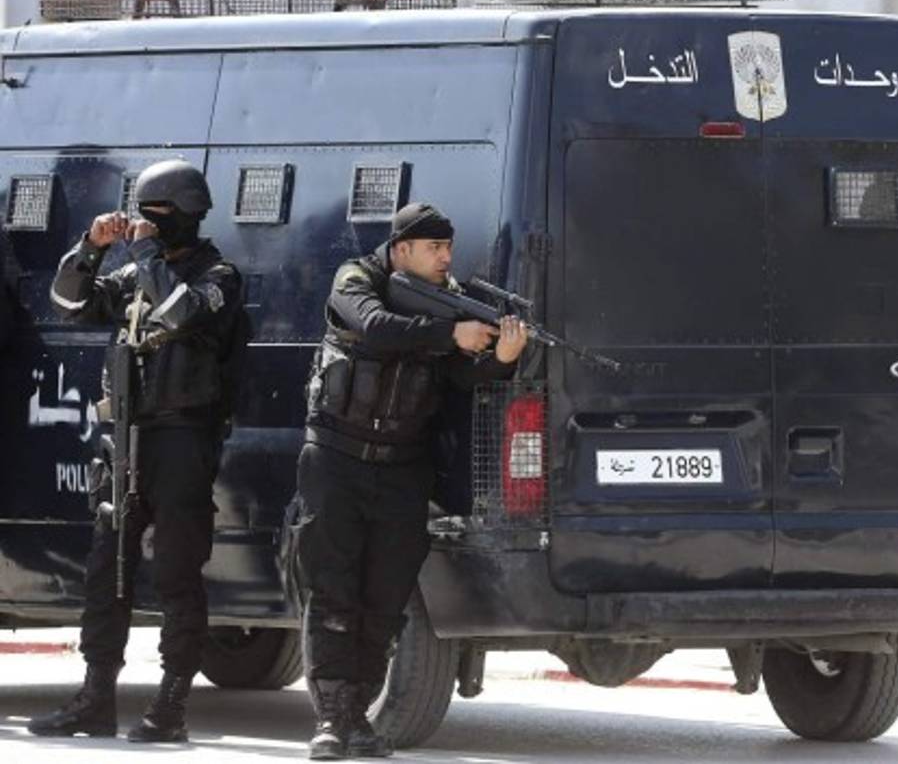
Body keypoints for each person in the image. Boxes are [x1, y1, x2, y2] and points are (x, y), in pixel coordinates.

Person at [295, 203, 527, 760]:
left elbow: (463, 375)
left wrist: (502, 356)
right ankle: (331, 719)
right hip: (337, 459)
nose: (446, 258)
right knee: (333, 593)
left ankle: (357, 716)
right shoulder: (355, 279)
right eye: (434, 249)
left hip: (402, 467)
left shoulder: (446, 299)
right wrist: (454, 332)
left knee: (385, 597)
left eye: (448, 248)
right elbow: (374, 327)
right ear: (401, 250)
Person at [29, 160, 245, 743]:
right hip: (126, 437)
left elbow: (178, 313)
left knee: (177, 574)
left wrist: (145, 258)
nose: (145, 226)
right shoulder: (134, 274)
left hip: (182, 439)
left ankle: (169, 707)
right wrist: (90, 248)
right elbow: (68, 303)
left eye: (157, 216)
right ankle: (95, 698)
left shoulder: (219, 275)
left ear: (185, 216)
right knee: (108, 571)